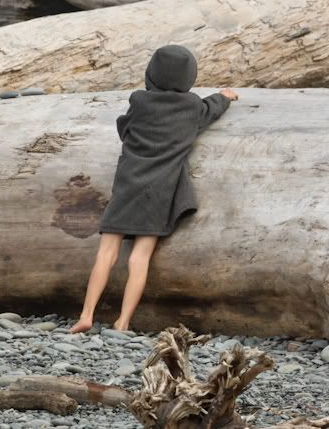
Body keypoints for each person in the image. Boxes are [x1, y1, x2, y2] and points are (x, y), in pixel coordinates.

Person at [70, 45, 238, 333]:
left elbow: (125, 128)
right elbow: (210, 110)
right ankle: (122, 322)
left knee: (106, 252)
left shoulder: (140, 101)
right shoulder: (192, 107)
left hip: (127, 183)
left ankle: (86, 315)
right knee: (140, 256)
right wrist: (224, 96)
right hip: (160, 190)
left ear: (152, 74)